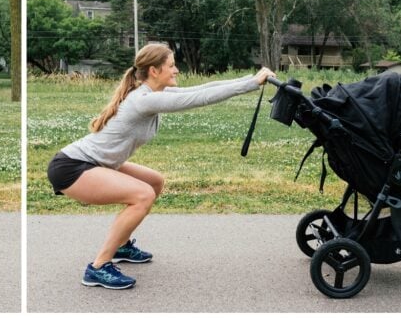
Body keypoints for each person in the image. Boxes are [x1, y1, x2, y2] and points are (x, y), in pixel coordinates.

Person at [47, 43, 275, 289]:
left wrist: (252, 78)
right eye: (171, 65)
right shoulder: (143, 100)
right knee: (142, 195)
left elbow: (203, 88)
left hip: (95, 163)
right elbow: (198, 99)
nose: (176, 70)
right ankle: (98, 267)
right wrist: (252, 84)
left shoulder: (151, 95)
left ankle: (121, 245)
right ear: (154, 71)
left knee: (153, 182)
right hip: (72, 167)